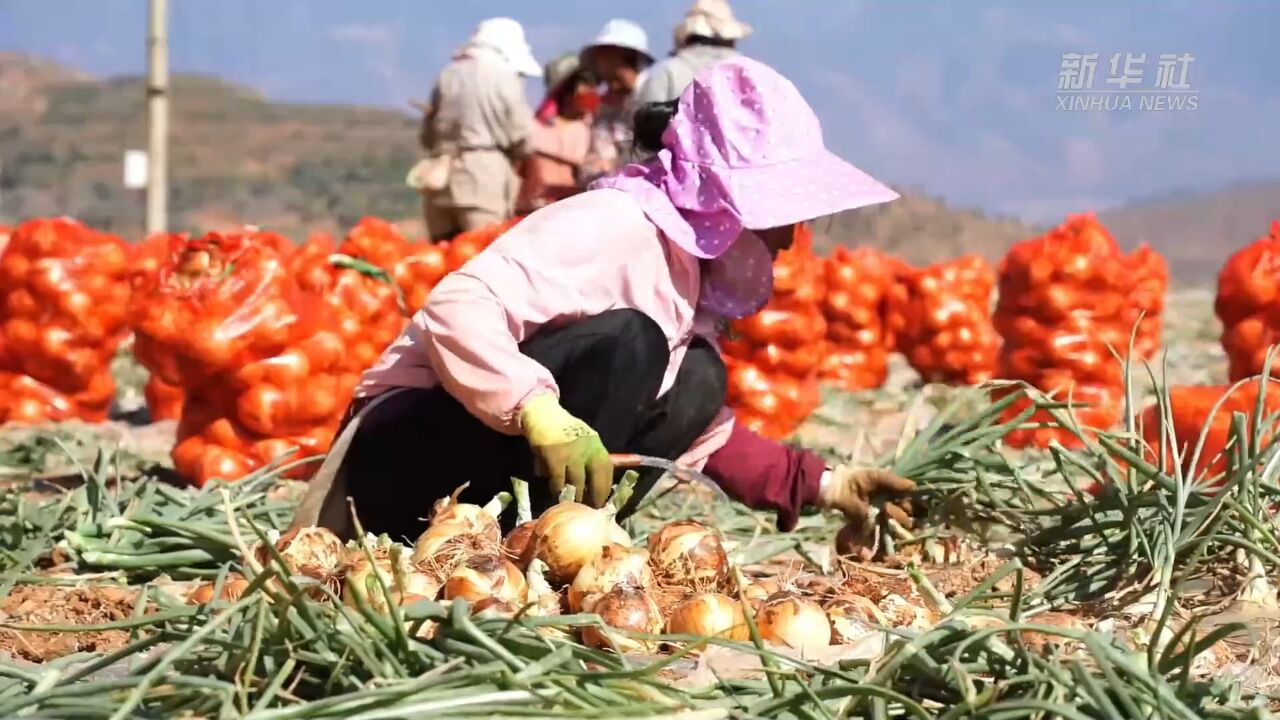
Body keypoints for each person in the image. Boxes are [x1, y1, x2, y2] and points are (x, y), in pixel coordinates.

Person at [293, 58, 913, 546]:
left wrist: (824, 483)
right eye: (777, 214)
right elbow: (456, 306)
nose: (786, 236)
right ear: (723, 199)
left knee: (698, 375)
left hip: (476, 468)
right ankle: (489, 545)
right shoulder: (615, 224)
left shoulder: (683, 268)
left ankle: (550, 548)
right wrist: (535, 409)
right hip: (396, 461)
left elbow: (687, 423)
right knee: (631, 343)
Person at [416, 18, 539, 242]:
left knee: (443, 259)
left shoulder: (447, 75)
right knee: (483, 253)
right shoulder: (503, 77)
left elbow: (428, 136)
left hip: (440, 179)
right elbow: (522, 137)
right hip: (483, 178)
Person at [515, 53, 599, 214]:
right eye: (585, 87)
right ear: (566, 92)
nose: (591, 94)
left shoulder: (592, 129)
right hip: (535, 207)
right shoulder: (535, 127)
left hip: (573, 207)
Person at [632, 0, 752, 109]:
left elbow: (645, 125)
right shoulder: (753, 74)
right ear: (732, 39)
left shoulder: (666, 72)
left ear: (686, 36)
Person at [578, 19, 654, 182]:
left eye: (608, 62)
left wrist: (615, 163)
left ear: (631, 60)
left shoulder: (652, 97)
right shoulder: (605, 106)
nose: (603, 71)